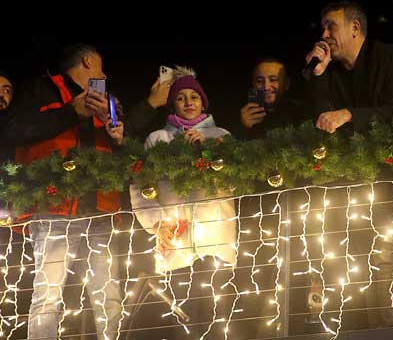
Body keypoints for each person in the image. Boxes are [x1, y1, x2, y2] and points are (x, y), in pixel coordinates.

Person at [8, 43, 124, 339]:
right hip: (54, 206)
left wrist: (120, 134)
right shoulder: (39, 89)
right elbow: (17, 130)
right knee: (48, 296)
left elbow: (126, 151)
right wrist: (72, 112)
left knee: (109, 293)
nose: (105, 74)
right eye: (100, 67)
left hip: (100, 208)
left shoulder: (108, 100)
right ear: (87, 62)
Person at [129, 69, 237, 339]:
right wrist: (157, 225)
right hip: (175, 240)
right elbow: (141, 185)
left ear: (204, 102)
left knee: (217, 314)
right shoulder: (157, 140)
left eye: (194, 97)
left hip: (215, 238)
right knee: (181, 316)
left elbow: (238, 180)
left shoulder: (221, 135)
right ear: (172, 104)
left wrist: (210, 149)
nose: (188, 102)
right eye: (180, 98)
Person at [305, 1, 393, 134]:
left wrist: (349, 115)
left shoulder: (390, 57)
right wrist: (319, 73)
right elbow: (321, 123)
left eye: (331, 26)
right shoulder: (329, 69)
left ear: (355, 28)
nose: (324, 35)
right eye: (323, 28)